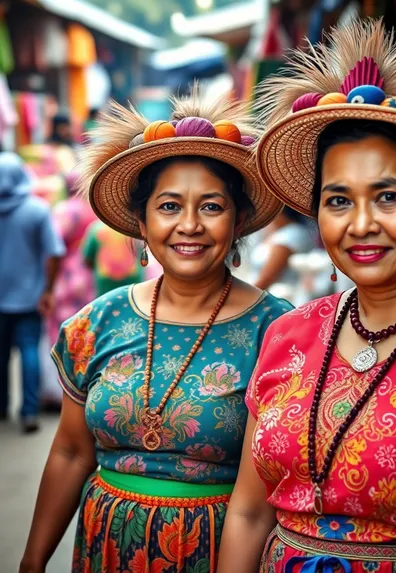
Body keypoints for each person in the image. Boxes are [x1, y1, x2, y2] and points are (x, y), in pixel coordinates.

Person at [218, 19, 396, 573]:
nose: (360, 224)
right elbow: (248, 512)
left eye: (387, 196)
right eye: (338, 201)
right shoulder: (287, 334)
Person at [20, 89, 291, 573]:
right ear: (141, 225)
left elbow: (268, 489)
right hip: (105, 549)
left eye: (211, 206)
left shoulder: (277, 330)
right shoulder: (96, 322)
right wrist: (32, 561)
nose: (189, 225)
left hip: (221, 553)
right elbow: (68, 451)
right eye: (168, 207)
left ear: (239, 221)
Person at [0, 152, 65, 432]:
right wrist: (48, 289)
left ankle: (2, 408)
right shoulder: (36, 210)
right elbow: (55, 252)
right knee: (29, 352)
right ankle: (29, 411)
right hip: (29, 296)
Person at [41, 171, 97, 411]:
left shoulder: (66, 210)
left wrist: (46, 285)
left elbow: (53, 245)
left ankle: (62, 391)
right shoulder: (92, 209)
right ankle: (84, 386)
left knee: (61, 333)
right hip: (87, 275)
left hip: (66, 277)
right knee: (85, 333)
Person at [249, 206, 313, 292]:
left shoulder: (292, 233)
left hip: (277, 296)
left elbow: (267, 278)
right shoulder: (277, 233)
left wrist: (245, 299)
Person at [82, 219, 144, 296]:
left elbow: (87, 258)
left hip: (105, 281)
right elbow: (143, 254)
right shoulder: (136, 228)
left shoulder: (96, 228)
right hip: (133, 280)